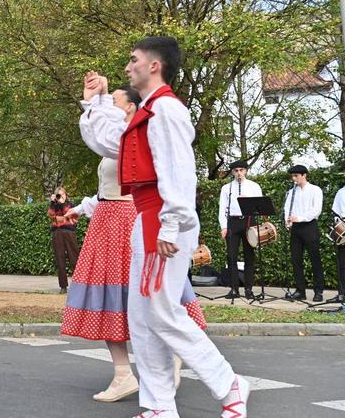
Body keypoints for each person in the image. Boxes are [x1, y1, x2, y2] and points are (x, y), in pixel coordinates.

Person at [80, 36, 248, 418]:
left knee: (162, 312)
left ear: (153, 65)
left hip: (162, 220)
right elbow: (111, 142)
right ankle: (158, 405)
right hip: (149, 220)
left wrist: (171, 226)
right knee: (142, 317)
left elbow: (179, 171)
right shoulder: (149, 111)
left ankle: (228, 383)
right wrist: (97, 101)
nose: (127, 67)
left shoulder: (167, 109)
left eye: (133, 60)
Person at [64, 86, 206, 403]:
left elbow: (162, 182)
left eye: (115, 99)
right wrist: (83, 207)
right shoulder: (118, 137)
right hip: (107, 219)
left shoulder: (139, 135)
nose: (109, 102)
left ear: (130, 106)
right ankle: (123, 373)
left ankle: (168, 357)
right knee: (107, 296)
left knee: (148, 293)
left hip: (130, 219)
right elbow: (105, 185)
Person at [217, 160, 263, 299]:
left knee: (250, 256)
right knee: (231, 256)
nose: (239, 173)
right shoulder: (227, 188)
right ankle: (234, 289)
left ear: (246, 171)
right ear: (232, 172)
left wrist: (247, 201)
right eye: (236, 170)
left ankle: (248, 289)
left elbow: (260, 207)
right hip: (233, 222)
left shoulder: (254, 186)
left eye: (241, 170)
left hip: (249, 221)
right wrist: (224, 226)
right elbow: (222, 208)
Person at [282, 164, 324, 302]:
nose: (294, 179)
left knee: (314, 259)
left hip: (309, 226)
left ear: (304, 175)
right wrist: (287, 220)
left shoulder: (315, 190)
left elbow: (316, 210)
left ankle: (318, 291)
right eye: (292, 176)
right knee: (296, 260)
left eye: (296, 176)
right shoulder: (292, 191)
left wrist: (299, 218)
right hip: (296, 228)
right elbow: (288, 207)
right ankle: (300, 291)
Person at [47, 187, 78, 293]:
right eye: (58, 195)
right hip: (57, 233)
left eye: (62, 194)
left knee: (74, 258)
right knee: (60, 260)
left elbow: (68, 213)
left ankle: (78, 285)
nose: (61, 197)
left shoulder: (71, 204)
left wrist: (60, 213)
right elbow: (51, 215)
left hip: (69, 233)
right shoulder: (54, 205)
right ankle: (63, 286)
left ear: (66, 195)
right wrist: (52, 203)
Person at [330, 183, 345, 306]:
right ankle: (342, 294)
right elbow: (335, 213)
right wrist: (339, 223)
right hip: (344, 229)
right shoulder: (341, 192)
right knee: (342, 265)